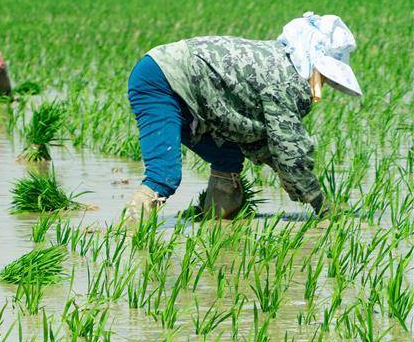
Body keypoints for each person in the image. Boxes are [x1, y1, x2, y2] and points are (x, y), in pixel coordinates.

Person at [125, 12, 360, 219]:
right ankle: (129, 236)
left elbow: (266, 142)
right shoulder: (287, 81)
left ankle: (216, 227)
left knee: (227, 156)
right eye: (326, 75)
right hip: (161, 81)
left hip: (175, 79)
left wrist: (292, 177)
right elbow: (289, 152)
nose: (326, 82)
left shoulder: (282, 60)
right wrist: (320, 204)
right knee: (164, 175)